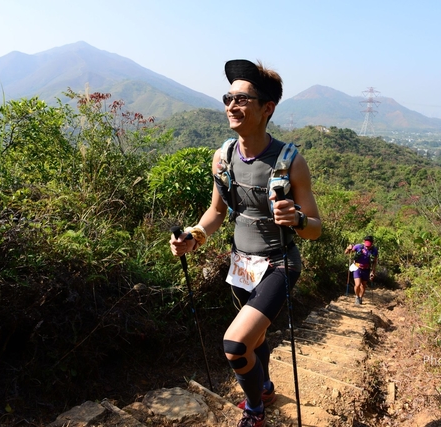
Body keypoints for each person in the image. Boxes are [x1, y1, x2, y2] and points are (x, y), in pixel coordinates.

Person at [170, 59, 321, 427]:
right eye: (228, 98)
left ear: (267, 108)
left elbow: (315, 229)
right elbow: (216, 212)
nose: (231, 106)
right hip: (241, 265)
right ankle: (264, 387)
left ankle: (254, 409)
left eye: (241, 99)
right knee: (256, 338)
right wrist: (193, 236)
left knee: (236, 344)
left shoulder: (290, 162)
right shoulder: (223, 158)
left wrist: (298, 219)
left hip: (279, 264)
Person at [345, 235, 378, 305]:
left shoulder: (374, 250)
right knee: (357, 284)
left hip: (366, 269)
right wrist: (348, 248)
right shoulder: (358, 246)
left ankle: (360, 297)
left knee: (363, 285)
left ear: (372, 243)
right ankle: (357, 296)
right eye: (366, 245)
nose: (367, 247)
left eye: (369, 246)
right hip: (357, 268)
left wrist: (373, 271)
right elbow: (346, 252)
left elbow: (374, 262)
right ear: (364, 242)